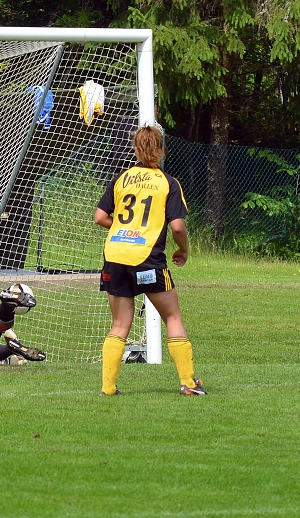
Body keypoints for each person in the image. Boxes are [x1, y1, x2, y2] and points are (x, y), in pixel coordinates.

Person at [94, 124, 204, 396]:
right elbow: (177, 227)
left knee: (120, 324)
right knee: (172, 316)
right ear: (162, 150)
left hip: (116, 257)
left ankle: (108, 388)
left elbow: (100, 217)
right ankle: (189, 383)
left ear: (135, 149)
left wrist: (124, 231)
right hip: (148, 261)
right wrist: (184, 250)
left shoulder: (121, 179)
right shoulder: (168, 183)